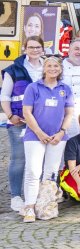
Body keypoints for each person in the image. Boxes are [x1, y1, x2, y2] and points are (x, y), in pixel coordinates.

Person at [19, 57, 74, 222]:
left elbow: (69, 113)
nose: (52, 68)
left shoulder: (65, 89)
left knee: (50, 173)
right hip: (35, 136)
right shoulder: (33, 87)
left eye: (56, 66)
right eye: (49, 65)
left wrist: (61, 132)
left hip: (58, 137)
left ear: (60, 69)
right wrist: (39, 133)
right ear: (44, 68)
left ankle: (44, 206)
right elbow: (27, 112)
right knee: (33, 171)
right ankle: (29, 207)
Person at [1, 36, 44, 213]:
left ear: (42, 49)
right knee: (19, 159)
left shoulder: (49, 66)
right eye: (31, 47)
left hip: (42, 121)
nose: (34, 50)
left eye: (37, 47)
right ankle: (16, 197)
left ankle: (36, 194)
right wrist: (10, 115)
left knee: (39, 160)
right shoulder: (14, 69)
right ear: (25, 49)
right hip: (19, 121)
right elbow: (5, 96)